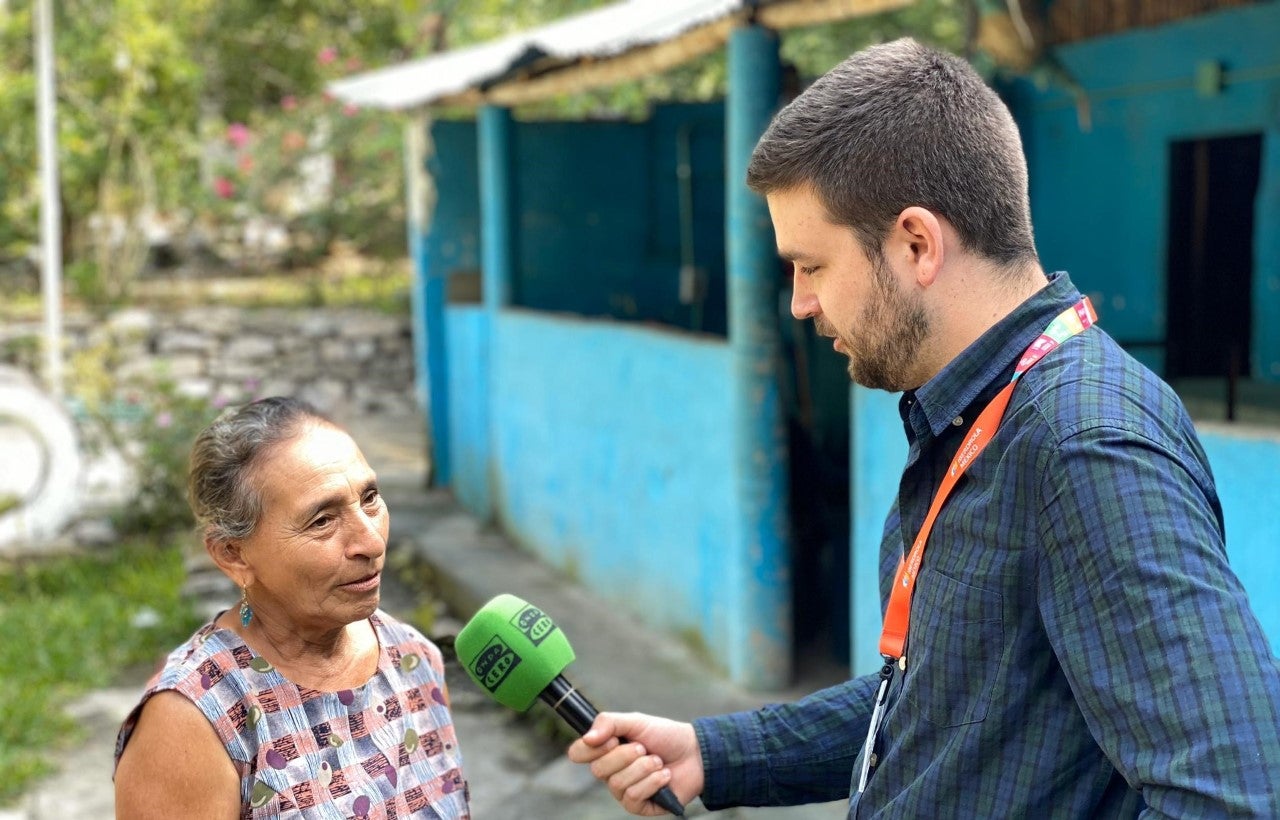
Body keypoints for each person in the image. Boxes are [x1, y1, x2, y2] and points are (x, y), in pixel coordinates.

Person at [569, 38, 1280, 817]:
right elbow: (942, 704)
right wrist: (720, 752)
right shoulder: (980, 410)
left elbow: (1233, 795)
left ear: (916, 243)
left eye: (812, 266)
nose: (801, 303)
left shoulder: (1085, 446)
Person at [114, 396, 470, 819]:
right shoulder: (194, 721)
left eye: (370, 497)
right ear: (233, 555)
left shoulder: (414, 660)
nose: (372, 542)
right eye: (322, 521)